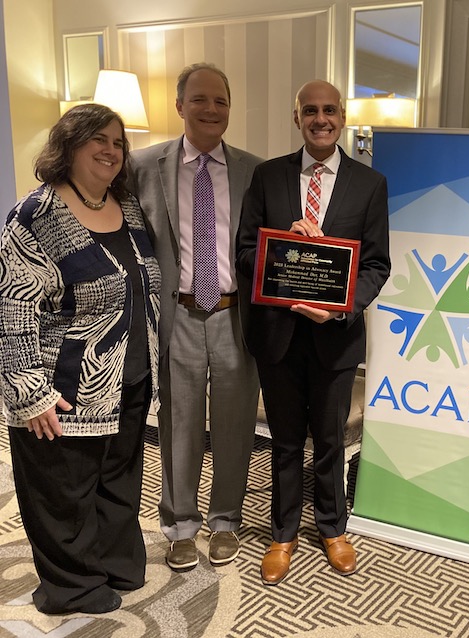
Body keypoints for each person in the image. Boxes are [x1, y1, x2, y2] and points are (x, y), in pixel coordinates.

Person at [0, 104, 160, 614]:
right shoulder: (35, 217)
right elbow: (14, 309)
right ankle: (72, 587)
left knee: (117, 484)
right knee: (63, 495)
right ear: (68, 146)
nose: (111, 150)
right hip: (62, 390)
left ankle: (113, 563)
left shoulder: (127, 207)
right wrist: (28, 394)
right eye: (99, 139)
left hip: (129, 379)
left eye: (118, 142)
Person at [236, 80, 390, 584]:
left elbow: (375, 265)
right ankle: (283, 534)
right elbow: (244, 252)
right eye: (310, 110)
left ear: (342, 117)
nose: (320, 118)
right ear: (296, 116)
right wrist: (282, 246)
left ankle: (332, 528)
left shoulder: (370, 184)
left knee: (328, 440)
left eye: (329, 110)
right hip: (278, 335)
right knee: (283, 440)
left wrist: (342, 311)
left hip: (335, 336)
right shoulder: (267, 176)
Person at [128, 63, 263, 571]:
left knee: (234, 425)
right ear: (180, 105)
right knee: (178, 424)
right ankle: (180, 524)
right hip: (176, 315)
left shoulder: (255, 169)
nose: (211, 110)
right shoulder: (141, 165)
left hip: (235, 316)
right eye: (200, 100)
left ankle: (225, 519)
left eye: (221, 101)